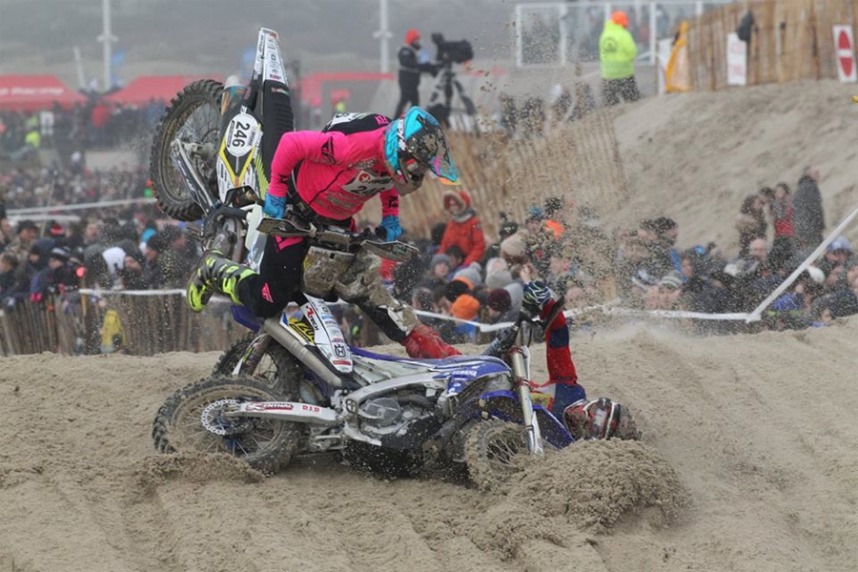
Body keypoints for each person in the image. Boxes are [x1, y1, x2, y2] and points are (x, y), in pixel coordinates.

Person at [186, 107, 461, 359]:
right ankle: (215, 269)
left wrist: (390, 216)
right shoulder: (350, 147)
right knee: (268, 300)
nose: (419, 173)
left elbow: (385, 179)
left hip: (337, 221)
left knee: (359, 287)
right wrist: (277, 193)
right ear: (399, 149)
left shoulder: (389, 159)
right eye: (417, 166)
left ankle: (422, 341)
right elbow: (291, 144)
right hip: (297, 212)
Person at [521, 281, 639, 441]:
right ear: (591, 404)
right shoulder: (568, 388)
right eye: (590, 414)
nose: (583, 419)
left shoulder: (568, 445)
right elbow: (558, 336)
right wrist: (546, 303)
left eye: (589, 425)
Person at [599, 10, 641, 106]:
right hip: (625, 76)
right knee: (633, 104)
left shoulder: (604, 35)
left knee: (610, 108)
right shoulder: (624, 34)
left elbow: (602, 54)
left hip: (607, 77)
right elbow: (632, 52)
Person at [394, 29, 438, 118]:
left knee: (415, 102)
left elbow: (423, 63)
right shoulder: (405, 50)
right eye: (416, 39)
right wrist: (424, 66)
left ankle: (411, 119)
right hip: (406, 80)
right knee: (404, 100)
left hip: (413, 82)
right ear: (411, 40)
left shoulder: (418, 50)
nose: (418, 41)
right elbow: (407, 62)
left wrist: (431, 68)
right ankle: (395, 120)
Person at [438, 189, 486, 266]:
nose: (453, 207)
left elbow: (479, 246)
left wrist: (466, 264)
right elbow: (444, 245)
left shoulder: (473, 222)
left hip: (468, 263)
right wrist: (440, 261)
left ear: (462, 205)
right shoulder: (452, 223)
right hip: (451, 262)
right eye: (451, 205)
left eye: (455, 205)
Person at [793, 166, 825, 253]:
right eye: (816, 173)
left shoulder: (800, 188)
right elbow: (815, 208)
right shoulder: (811, 186)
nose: (818, 175)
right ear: (808, 174)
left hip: (801, 228)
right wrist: (820, 225)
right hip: (811, 227)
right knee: (817, 252)